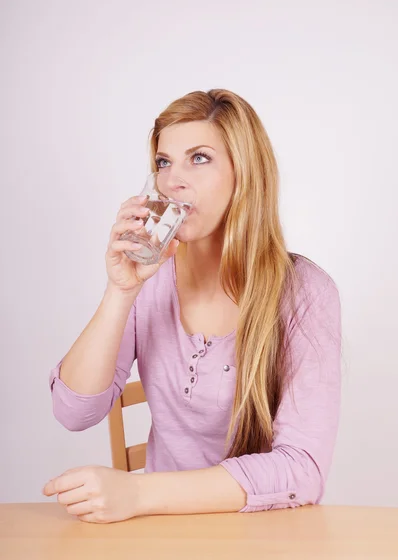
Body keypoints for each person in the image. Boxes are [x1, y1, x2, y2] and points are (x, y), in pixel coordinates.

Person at [42, 89, 342, 524]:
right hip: (161, 533)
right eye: (164, 163)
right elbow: (74, 412)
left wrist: (138, 491)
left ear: (246, 173)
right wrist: (119, 291)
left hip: (262, 531)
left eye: (199, 158)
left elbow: (302, 468)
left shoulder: (304, 292)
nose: (172, 181)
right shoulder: (150, 281)